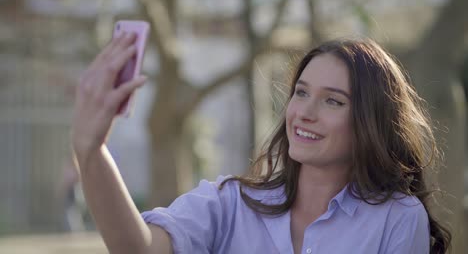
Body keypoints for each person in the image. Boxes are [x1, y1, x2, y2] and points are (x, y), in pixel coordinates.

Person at [71, 33, 452, 253]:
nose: (305, 112)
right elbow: (137, 249)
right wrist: (92, 152)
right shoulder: (229, 203)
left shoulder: (397, 217)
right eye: (301, 93)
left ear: (370, 121)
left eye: (333, 100)